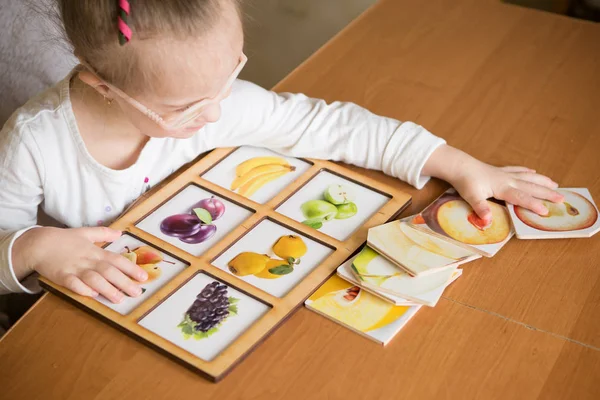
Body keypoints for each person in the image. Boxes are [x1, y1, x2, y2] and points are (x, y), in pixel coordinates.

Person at [0, 0, 563, 304]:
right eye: (188, 107)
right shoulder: (34, 144)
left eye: (230, 78)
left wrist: (463, 165)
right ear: (103, 86)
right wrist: (33, 248)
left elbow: (334, 127)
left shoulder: (219, 103)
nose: (217, 113)